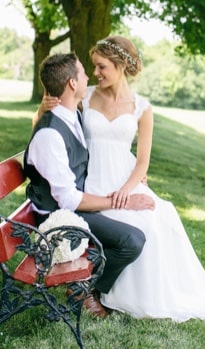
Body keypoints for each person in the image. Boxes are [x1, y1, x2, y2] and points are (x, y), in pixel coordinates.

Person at [36, 36, 205, 322]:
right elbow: (54, 123)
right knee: (132, 225)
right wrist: (42, 108)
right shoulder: (86, 95)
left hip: (124, 178)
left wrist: (127, 189)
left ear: (120, 65)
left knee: (159, 218)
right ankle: (98, 291)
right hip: (93, 182)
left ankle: (149, 293)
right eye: (93, 67)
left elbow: (143, 160)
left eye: (102, 66)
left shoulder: (142, 109)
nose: (96, 73)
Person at [25, 52, 156, 319]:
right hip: (59, 218)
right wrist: (123, 201)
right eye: (84, 72)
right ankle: (88, 290)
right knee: (132, 240)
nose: (89, 77)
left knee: (140, 224)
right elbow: (69, 201)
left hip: (73, 206)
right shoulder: (51, 133)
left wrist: (132, 172)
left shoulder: (72, 117)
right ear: (73, 84)